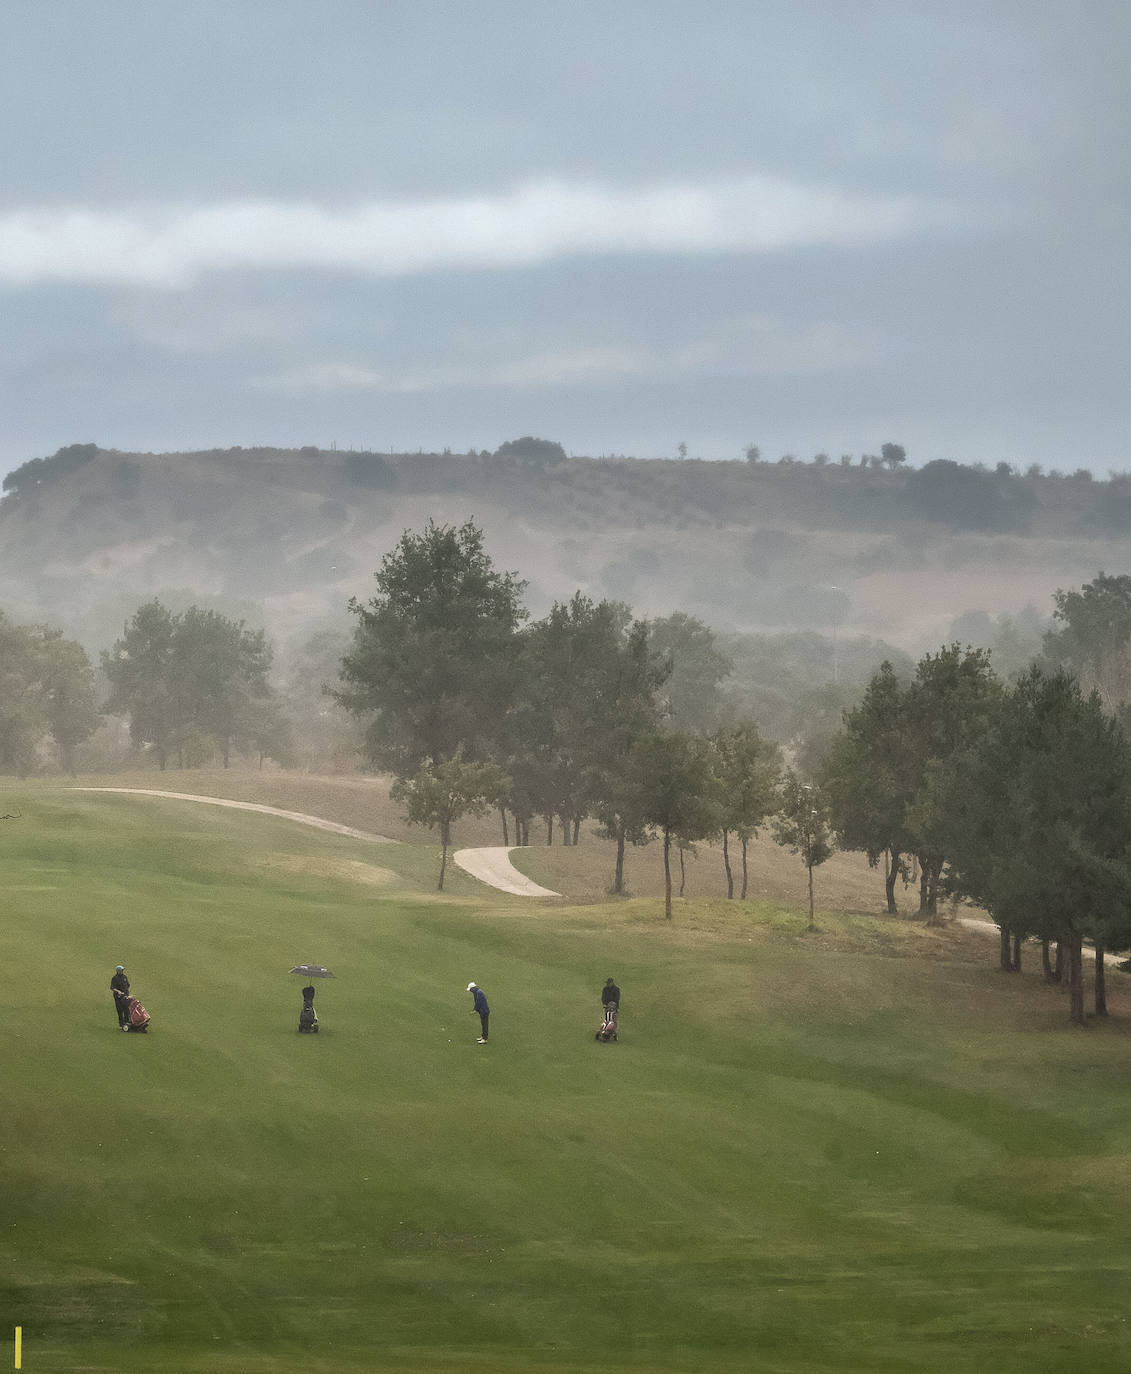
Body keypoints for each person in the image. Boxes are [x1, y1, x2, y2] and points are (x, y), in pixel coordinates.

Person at [111, 964, 131, 1029]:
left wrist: (127, 993)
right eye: (121, 970)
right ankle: (121, 1024)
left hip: (125, 996)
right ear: (118, 971)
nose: (122, 971)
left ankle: (127, 1022)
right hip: (118, 997)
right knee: (120, 1010)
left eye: (122, 970)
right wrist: (118, 991)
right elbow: (112, 988)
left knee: (127, 1009)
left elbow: (127, 985)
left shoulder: (124, 977)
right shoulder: (114, 978)